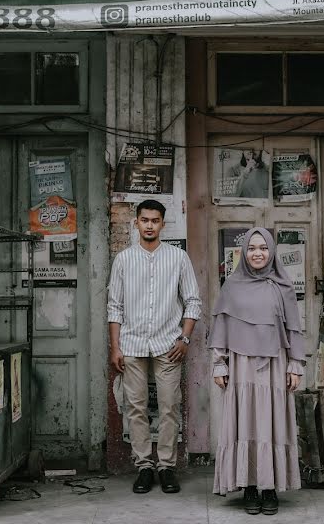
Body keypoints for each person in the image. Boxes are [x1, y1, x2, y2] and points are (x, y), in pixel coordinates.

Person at [107, 199, 201, 494]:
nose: (149, 225)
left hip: (167, 345)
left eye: (155, 220)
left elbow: (193, 301)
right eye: (144, 220)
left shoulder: (178, 258)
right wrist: (115, 347)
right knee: (135, 407)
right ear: (136, 222)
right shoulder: (123, 260)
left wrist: (184, 339)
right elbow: (114, 307)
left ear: (162, 224)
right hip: (132, 344)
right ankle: (144, 466)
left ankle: (167, 467)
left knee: (169, 406)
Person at [210, 227, 304, 515]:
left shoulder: (283, 287)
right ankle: (248, 486)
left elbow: (294, 329)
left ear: (272, 251)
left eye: (263, 247)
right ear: (244, 253)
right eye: (252, 248)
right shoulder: (232, 286)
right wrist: (219, 363)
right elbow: (222, 327)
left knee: (271, 422)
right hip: (241, 367)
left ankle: (269, 487)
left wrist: (295, 364)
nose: (258, 253)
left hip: (274, 366)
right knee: (245, 422)